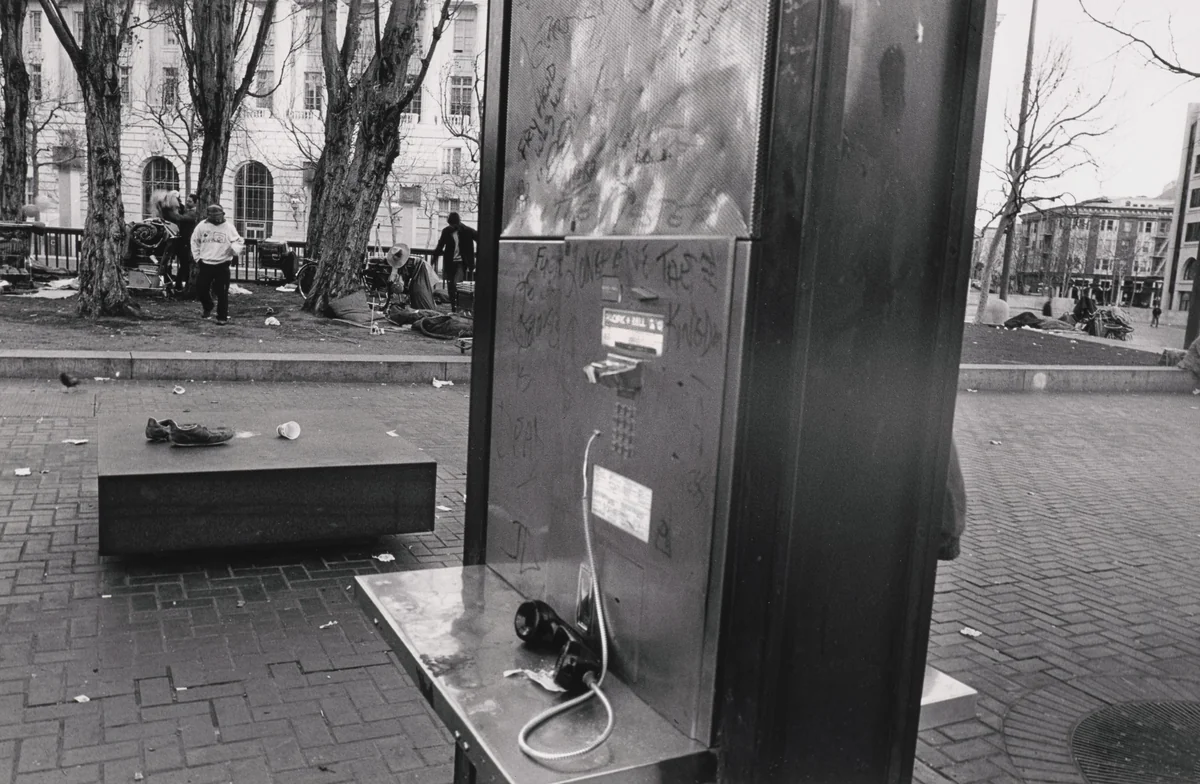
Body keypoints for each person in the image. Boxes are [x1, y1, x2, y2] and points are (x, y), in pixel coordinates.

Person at [190, 205, 243, 325]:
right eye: (213, 216)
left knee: (222, 292)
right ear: (208, 216)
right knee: (201, 288)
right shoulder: (202, 226)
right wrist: (197, 257)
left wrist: (234, 250)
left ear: (223, 215)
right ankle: (208, 305)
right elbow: (194, 241)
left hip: (222, 263)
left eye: (218, 216)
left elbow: (238, 241)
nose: (216, 219)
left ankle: (222, 316)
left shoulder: (229, 227)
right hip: (205, 263)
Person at [433, 212, 478, 311]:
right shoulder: (447, 231)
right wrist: (434, 258)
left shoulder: (467, 231)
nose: (451, 226)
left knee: (457, 284)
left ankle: (459, 306)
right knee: (450, 286)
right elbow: (440, 245)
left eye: (452, 224)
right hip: (450, 262)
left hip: (461, 263)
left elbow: (480, 238)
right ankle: (454, 306)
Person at [163, 193, 199, 294]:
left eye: (190, 201)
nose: (187, 203)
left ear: (196, 203)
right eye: (187, 200)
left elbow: (180, 218)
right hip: (184, 241)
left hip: (186, 241)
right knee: (184, 264)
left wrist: (169, 211)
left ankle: (179, 284)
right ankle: (179, 284)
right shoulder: (189, 211)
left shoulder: (193, 213)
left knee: (184, 264)